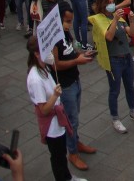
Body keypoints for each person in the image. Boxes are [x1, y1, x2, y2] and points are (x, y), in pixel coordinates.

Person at [88, 0, 134, 135]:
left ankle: (133, 111)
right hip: (114, 59)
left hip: (126, 56)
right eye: (108, 2)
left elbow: (132, 33)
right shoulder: (99, 19)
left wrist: (131, 21)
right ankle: (115, 118)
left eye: (113, 2)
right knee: (114, 90)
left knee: (130, 86)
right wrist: (114, 20)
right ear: (102, 4)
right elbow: (108, 36)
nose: (112, 4)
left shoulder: (120, 18)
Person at [26, 36, 79, 181]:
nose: (49, 51)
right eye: (45, 49)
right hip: (51, 126)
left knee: (61, 153)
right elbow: (43, 110)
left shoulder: (44, 67)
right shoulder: (35, 79)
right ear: (37, 53)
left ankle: (67, 177)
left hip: (58, 121)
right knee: (58, 157)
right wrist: (55, 95)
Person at [54, 9, 97, 172]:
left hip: (75, 79)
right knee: (71, 120)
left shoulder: (66, 35)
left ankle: (76, 142)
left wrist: (82, 55)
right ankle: (72, 152)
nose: (69, 25)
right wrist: (77, 61)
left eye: (70, 21)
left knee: (75, 117)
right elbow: (56, 64)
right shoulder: (54, 39)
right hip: (65, 85)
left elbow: (71, 52)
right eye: (67, 21)